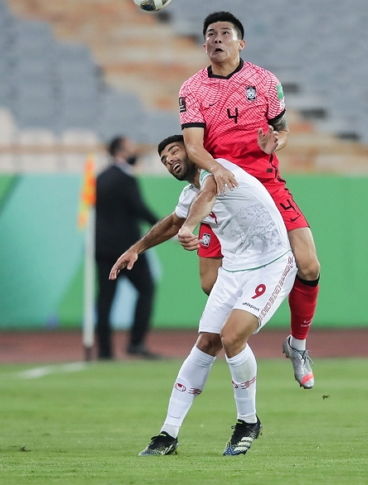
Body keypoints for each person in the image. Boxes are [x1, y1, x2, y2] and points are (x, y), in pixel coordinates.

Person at [110, 135, 297, 456]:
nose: (168, 159)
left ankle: (247, 421)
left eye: (173, 150)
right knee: (205, 343)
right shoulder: (189, 193)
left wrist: (189, 227)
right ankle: (168, 433)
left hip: (271, 263)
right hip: (234, 269)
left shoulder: (221, 170)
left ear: (194, 149)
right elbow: (172, 221)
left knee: (232, 336)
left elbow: (207, 196)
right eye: (163, 158)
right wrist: (136, 249)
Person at [178, 11, 319, 389]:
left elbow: (283, 130)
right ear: (204, 43)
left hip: (268, 183)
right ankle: (235, 329)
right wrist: (217, 169)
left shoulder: (265, 81)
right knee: (211, 283)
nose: (217, 39)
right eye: (210, 34)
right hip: (222, 190)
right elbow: (193, 147)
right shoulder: (192, 90)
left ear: (241, 43)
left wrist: (278, 141)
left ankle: (298, 345)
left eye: (225, 33)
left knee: (308, 264)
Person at [95, 135, 160, 360]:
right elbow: (139, 208)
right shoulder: (125, 179)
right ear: (121, 152)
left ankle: (104, 351)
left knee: (105, 299)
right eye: (131, 148)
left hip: (102, 248)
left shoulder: (100, 177)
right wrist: (166, 228)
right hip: (126, 250)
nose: (135, 153)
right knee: (147, 289)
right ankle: (136, 343)